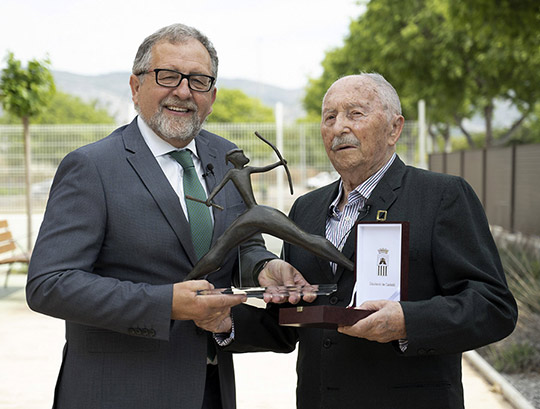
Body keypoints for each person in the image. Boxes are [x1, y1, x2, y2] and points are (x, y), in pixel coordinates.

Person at [25, 23, 303, 409]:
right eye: (167, 76)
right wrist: (164, 304)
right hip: (117, 395)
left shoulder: (225, 157)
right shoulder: (92, 167)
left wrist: (263, 267)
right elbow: (49, 285)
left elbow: (244, 244)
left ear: (213, 95)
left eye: (199, 80)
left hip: (209, 391)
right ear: (136, 87)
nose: (184, 91)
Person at [228, 73, 518, 409]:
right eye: (330, 117)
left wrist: (406, 322)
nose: (339, 128)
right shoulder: (306, 209)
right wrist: (226, 323)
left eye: (355, 114)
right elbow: (291, 323)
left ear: (395, 129)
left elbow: (494, 307)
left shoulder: (441, 197)